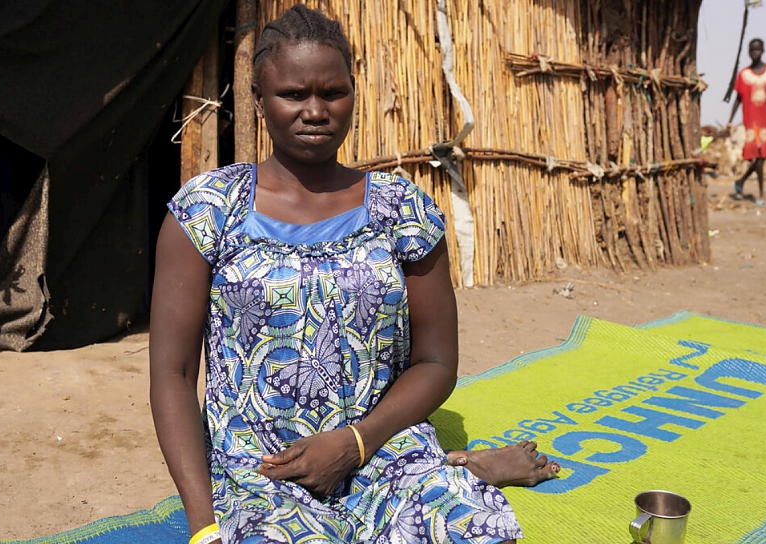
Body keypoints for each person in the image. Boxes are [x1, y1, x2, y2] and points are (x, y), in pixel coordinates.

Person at [149, 6, 557, 544]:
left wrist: (356, 443)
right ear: (257, 102)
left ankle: (458, 471)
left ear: (352, 94)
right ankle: (470, 466)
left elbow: (436, 361)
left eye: (332, 92)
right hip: (264, 473)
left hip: (382, 451)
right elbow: (172, 377)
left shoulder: (401, 209)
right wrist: (204, 528)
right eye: (293, 95)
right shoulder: (207, 211)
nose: (315, 110)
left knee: (472, 531)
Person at [727, 38, 766, 205]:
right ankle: (761, 193)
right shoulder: (743, 74)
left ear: (763, 50)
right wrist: (730, 121)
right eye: (752, 50)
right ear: (749, 52)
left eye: (758, 50)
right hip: (750, 120)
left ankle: (741, 181)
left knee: (762, 156)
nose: (755, 53)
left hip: (764, 118)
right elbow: (738, 99)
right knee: (756, 156)